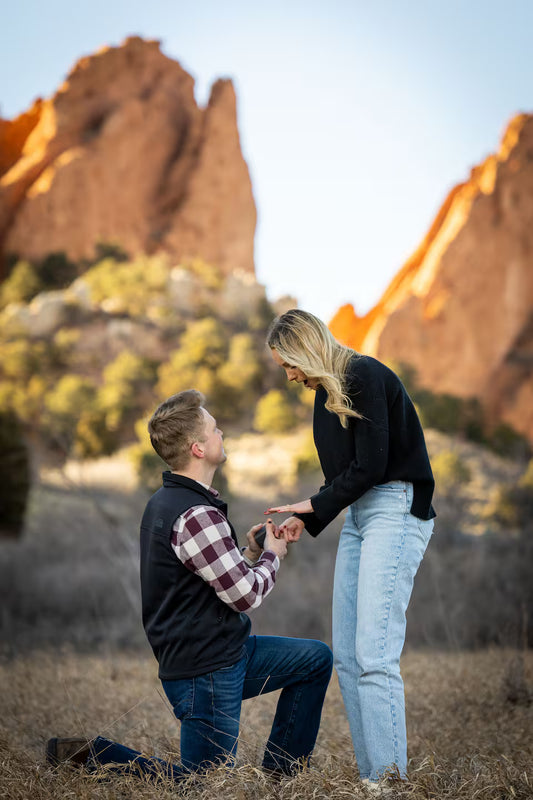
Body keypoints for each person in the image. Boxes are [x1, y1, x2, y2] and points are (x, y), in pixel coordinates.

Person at [47, 390, 333, 781]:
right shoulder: (197, 513)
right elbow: (246, 595)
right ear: (198, 448)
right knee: (204, 785)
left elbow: (214, 580)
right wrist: (274, 555)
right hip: (205, 672)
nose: (222, 434)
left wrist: (250, 552)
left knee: (314, 660)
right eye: (215, 429)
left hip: (228, 654)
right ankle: (93, 754)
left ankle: (280, 777)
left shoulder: (167, 501)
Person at [265, 309, 435, 789]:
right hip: (361, 515)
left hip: (396, 508)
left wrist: (313, 505)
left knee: (374, 654)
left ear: (304, 349)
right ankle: (372, 779)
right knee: (347, 656)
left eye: (288, 364)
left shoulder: (362, 374)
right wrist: (307, 517)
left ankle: (389, 782)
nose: (289, 376)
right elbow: (341, 478)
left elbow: (374, 465)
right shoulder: (323, 397)